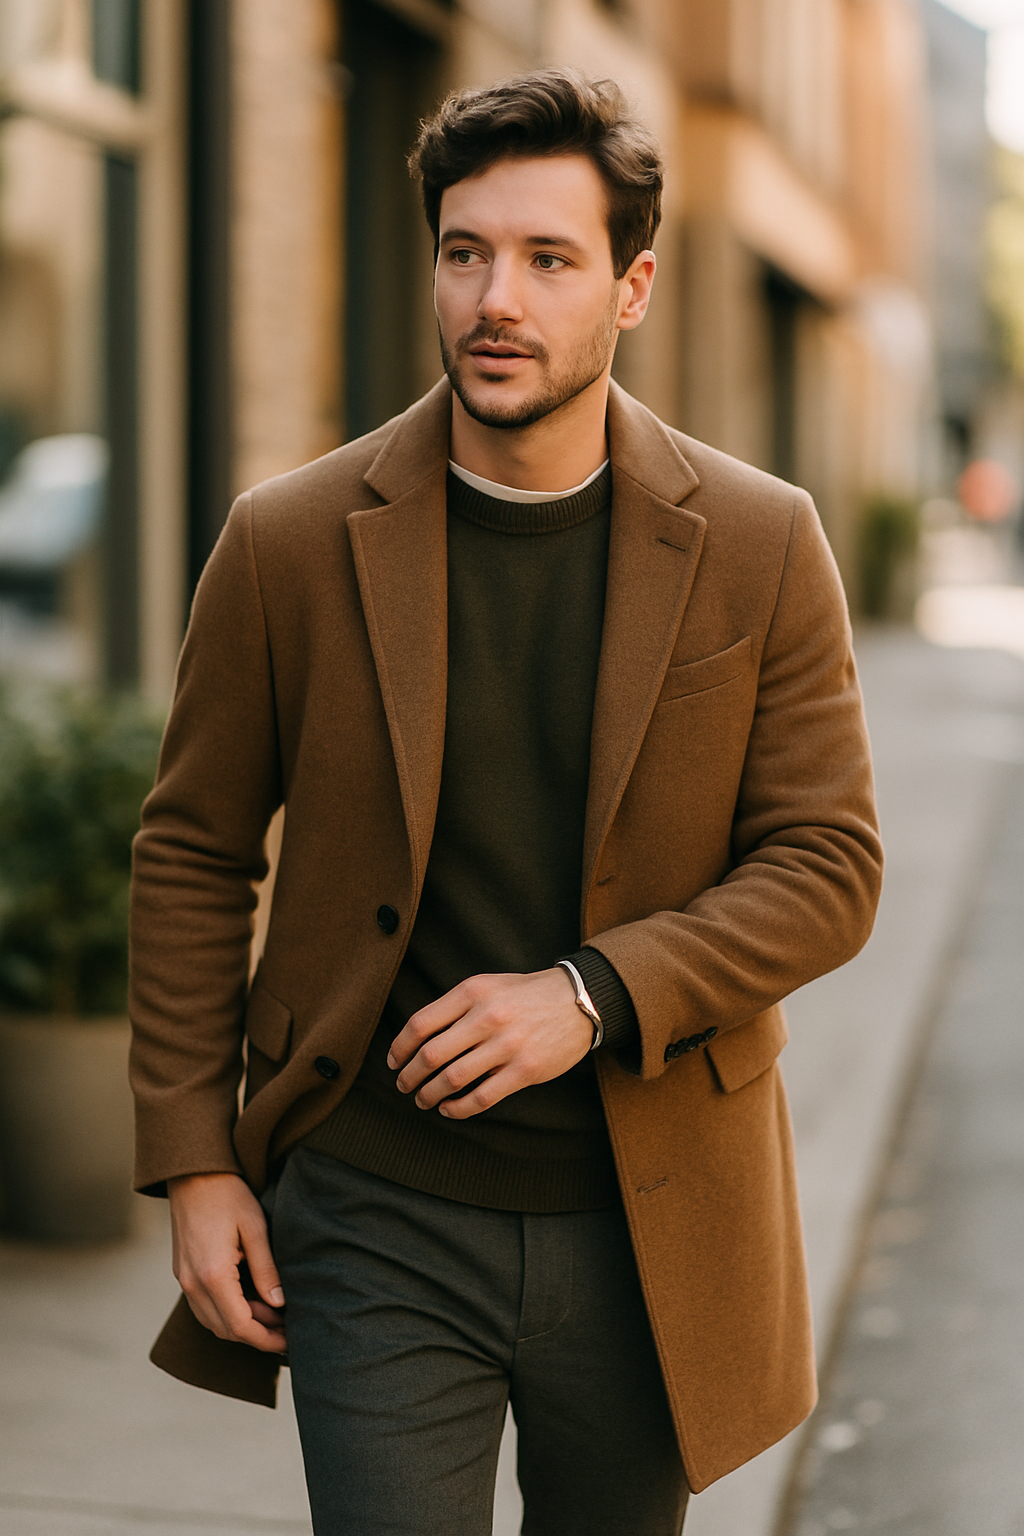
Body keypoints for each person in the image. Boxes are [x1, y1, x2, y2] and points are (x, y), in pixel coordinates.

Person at [129, 69, 882, 1536]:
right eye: (465, 252)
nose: (497, 300)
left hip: (651, 1217)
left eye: (549, 259)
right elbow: (195, 851)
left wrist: (591, 994)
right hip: (374, 1211)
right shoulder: (287, 541)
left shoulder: (761, 542)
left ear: (632, 288)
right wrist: (196, 1161)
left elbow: (828, 864)